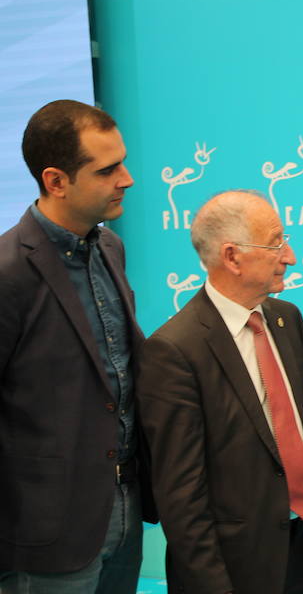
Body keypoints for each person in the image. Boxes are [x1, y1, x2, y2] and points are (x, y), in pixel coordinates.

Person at [136, 190, 303, 594]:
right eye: (275, 243)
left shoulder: (287, 319)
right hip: (235, 568)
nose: (290, 256)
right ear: (231, 257)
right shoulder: (174, 351)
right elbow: (181, 495)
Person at [0, 100, 156, 592]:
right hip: (44, 534)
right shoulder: (7, 273)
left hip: (124, 510)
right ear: (56, 180)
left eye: (123, 162)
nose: (126, 178)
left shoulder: (111, 247)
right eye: (107, 169)